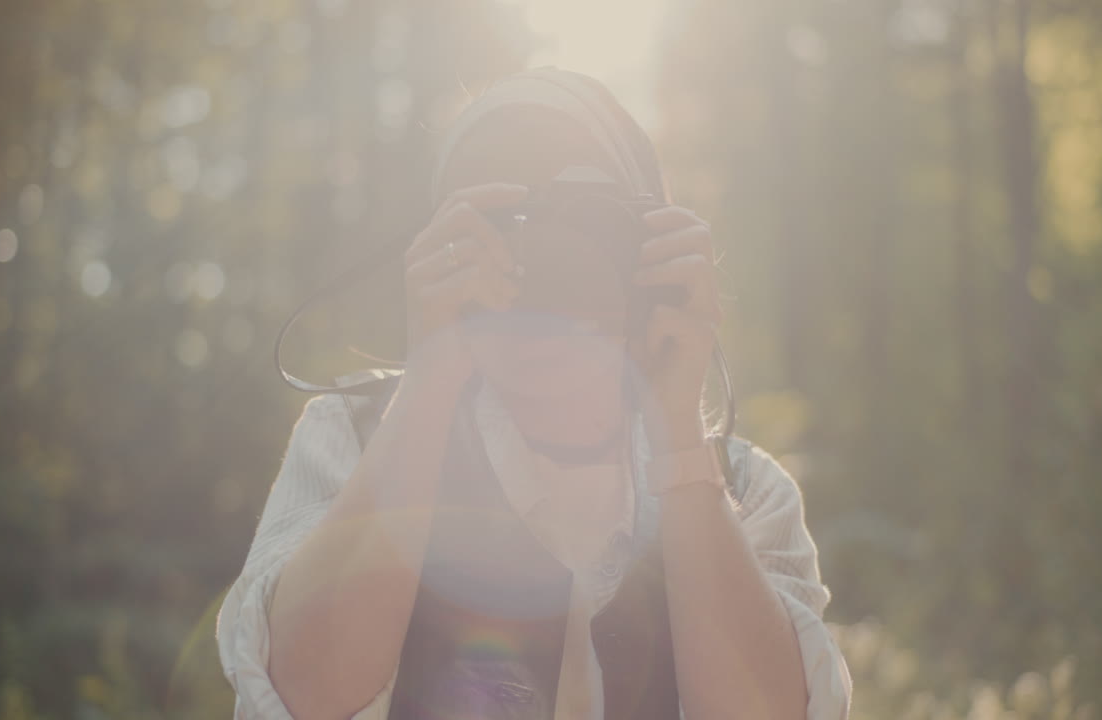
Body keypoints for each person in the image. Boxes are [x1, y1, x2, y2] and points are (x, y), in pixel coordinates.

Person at [216, 66, 852, 720]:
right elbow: (298, 695)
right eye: (497, 228)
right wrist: (433, 374)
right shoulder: (353, 437)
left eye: (582, 230)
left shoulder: (743, 492)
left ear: (649, 255)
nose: (536, 272)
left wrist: (677, 434)